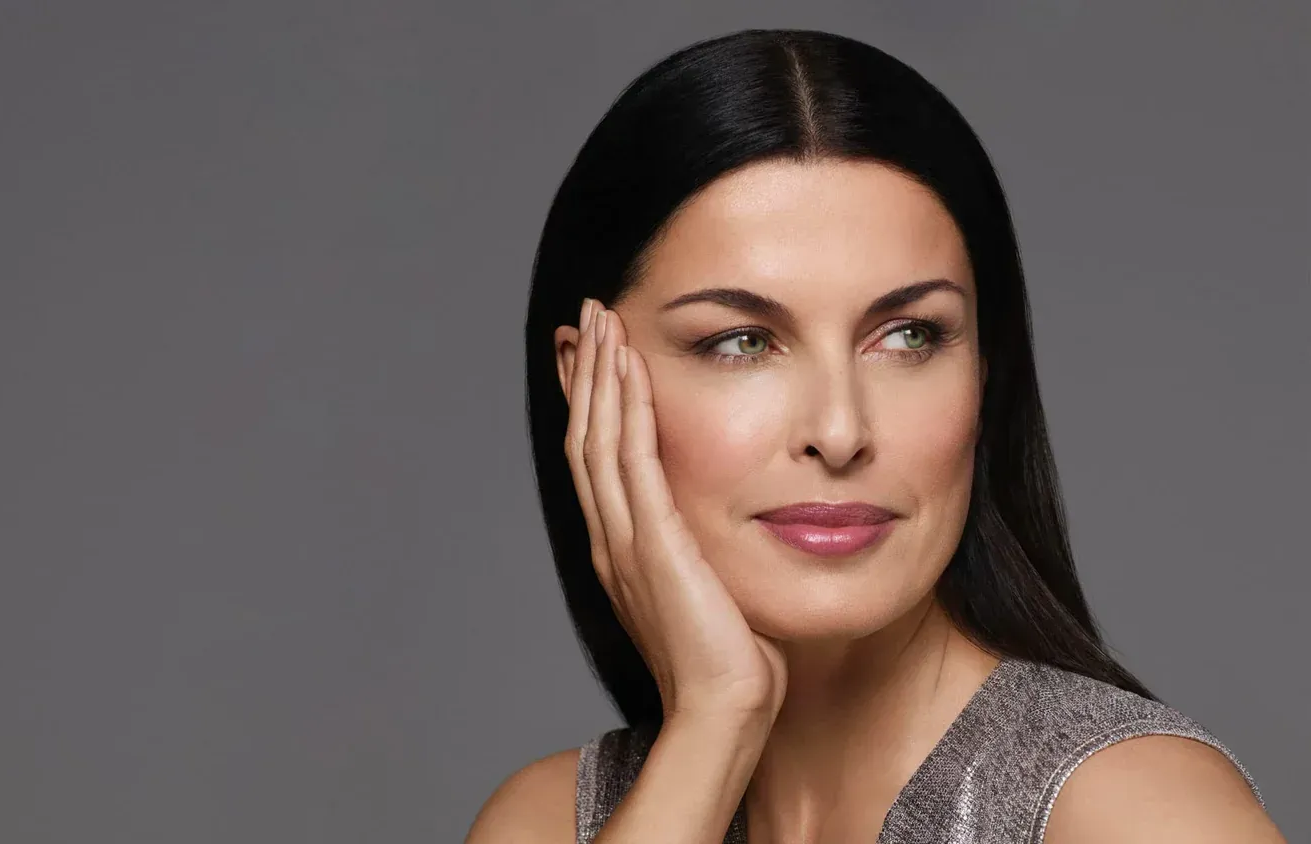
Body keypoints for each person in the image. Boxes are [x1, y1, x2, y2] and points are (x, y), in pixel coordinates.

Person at [465, 28, 1285, 844]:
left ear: (985, 368)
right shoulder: (543, 822)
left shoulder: (1135, 811)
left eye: (908, 336)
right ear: (588, 382)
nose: (839, 430)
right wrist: (713, 726)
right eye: (742, 340)